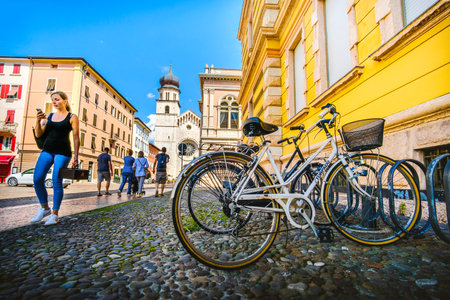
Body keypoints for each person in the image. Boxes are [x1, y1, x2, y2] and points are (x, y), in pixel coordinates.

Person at [31, 91, 80, 226]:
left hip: (63, 152)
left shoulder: (72, 117)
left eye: (57, 99)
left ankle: (54, 214)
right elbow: (39, 133)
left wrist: (76, 156)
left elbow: (76, 137)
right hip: (47, 150)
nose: (54, 102)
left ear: (65, 101)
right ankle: (44, 208)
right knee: (37, 179)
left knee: (56, 181)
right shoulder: (50, 116)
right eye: (52, 100)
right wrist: (37, 120)